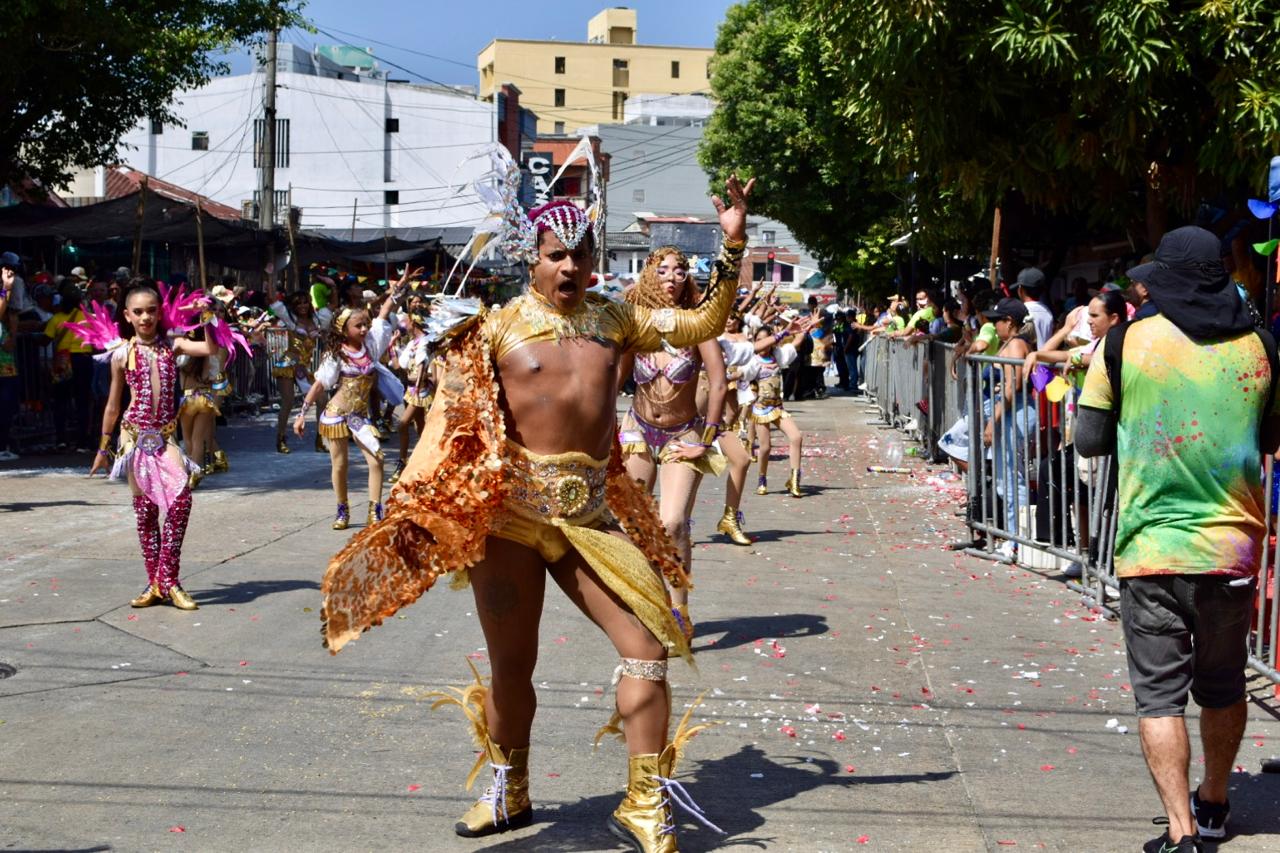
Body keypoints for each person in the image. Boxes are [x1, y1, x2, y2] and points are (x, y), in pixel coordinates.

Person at [319, 175, 752, 851]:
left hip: (591, 520)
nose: (571, 265)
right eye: (557, 253)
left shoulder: (618, 320)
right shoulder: (493, 330)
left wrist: (730, 241)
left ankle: (643, 801)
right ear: (533, 258)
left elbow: (702, 323)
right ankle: (507, 788)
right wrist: (415, 506)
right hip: (511, 522)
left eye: (581, 253)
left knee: (646, 646)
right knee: (512, 668)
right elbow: (449, 430)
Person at [1076, 226, 1280, 853]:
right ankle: (1215, 803)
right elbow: (1270, 439)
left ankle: (1182, 832)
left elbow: (1087, 440)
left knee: (1160, 696)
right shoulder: (1262, 346)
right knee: (1223, 687)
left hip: (1152, 551)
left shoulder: (1122, 343)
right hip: (1232, 552)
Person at [76, 280, 228, 611]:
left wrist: (209, 317)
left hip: (165, 436)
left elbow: (210, 350)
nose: (146, 317)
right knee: (146, 513)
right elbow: (114, 405)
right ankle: (156, 583)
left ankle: (168, 579)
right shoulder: (122, 353)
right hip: (133, 437)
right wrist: (103, 449)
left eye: (152, 311)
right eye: (139, 312)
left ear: (160, 313)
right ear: (128, 315)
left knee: (181, 501)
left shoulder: (172, 344)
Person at [619, 246, 731, 639]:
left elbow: (718, 381)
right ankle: (646, 602)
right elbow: (614, 380)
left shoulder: (698, 325)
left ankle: (679, 607)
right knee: (633, 525)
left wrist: (708, 438)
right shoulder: (635, 325)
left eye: (679, 271)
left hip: (682, 434)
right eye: (662, 270)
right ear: (650, 275)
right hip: (637, 431)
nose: (671, 277)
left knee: (672, 523)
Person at [294, 269, 411, 530]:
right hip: (336, 414)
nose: (364, 328)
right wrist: (303, 414)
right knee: (340, 464)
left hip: (360, 417)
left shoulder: (370, 346)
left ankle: (375, 510)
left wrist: (399, 288)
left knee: (377, 458)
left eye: (364, 324)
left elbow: (382, 314)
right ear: (343, 330)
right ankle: (342, 509)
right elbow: (320, 385)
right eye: (358, 325)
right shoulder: (337, 355)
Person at [980, 298, 1037, 559]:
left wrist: (994, 421)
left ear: (1009, 322)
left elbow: (1013, 386)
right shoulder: (1013, 343)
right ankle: (1015, 537)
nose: (994, 325)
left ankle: (1018, 540)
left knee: (1014, 480)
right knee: (1007, 480)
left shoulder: (1015, 344)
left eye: (997, 321)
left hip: (1016, 414)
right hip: (1013, 413)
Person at [752, 320, 808, 497]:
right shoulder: (752, 360)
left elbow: (796, 343)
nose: (764, 343)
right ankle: (762, 478)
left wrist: (805, 330)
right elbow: (740, 374)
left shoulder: (778, 356)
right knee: (766, 447)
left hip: (777, 407)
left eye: (767, 339)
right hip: (761, 409)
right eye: (760, 339)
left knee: (796, 437)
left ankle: (794, 479)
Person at [267, 290, 325, 454]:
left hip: (304, 368)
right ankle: (281, 439)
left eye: (305, 302)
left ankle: (320, 439)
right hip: (288, 363)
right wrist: (271, 274)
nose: (302, 306)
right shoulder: (290, 319)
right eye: (298, 303)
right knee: (288, 402)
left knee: (322, 400)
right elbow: (273, 301)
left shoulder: (317, 320)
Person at [44, 279, 95, 451]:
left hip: (63, 361)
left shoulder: (56, 319)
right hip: (83, 359)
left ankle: (61, 440)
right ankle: (82, 442)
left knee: (61, 401)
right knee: (82, 400)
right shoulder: (86, 317)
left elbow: (45, 340)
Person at [392, 303, 436, 483]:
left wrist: (418, 386)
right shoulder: (411, 343)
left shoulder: (425, 342)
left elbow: (421, 365)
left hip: (420, 390)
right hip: (411, 389)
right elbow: (398, 366)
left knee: (402, 424)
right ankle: (429, 461)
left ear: (415, 323)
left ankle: (403, 462)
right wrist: (391, 347)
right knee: (421, 428)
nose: (404, 324)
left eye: (407, 321)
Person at [1015, 267, 1054, 349]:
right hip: (1045, 359)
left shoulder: (1020, 311)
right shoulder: (1047, 311)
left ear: (1020, 290)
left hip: (1027, 359)